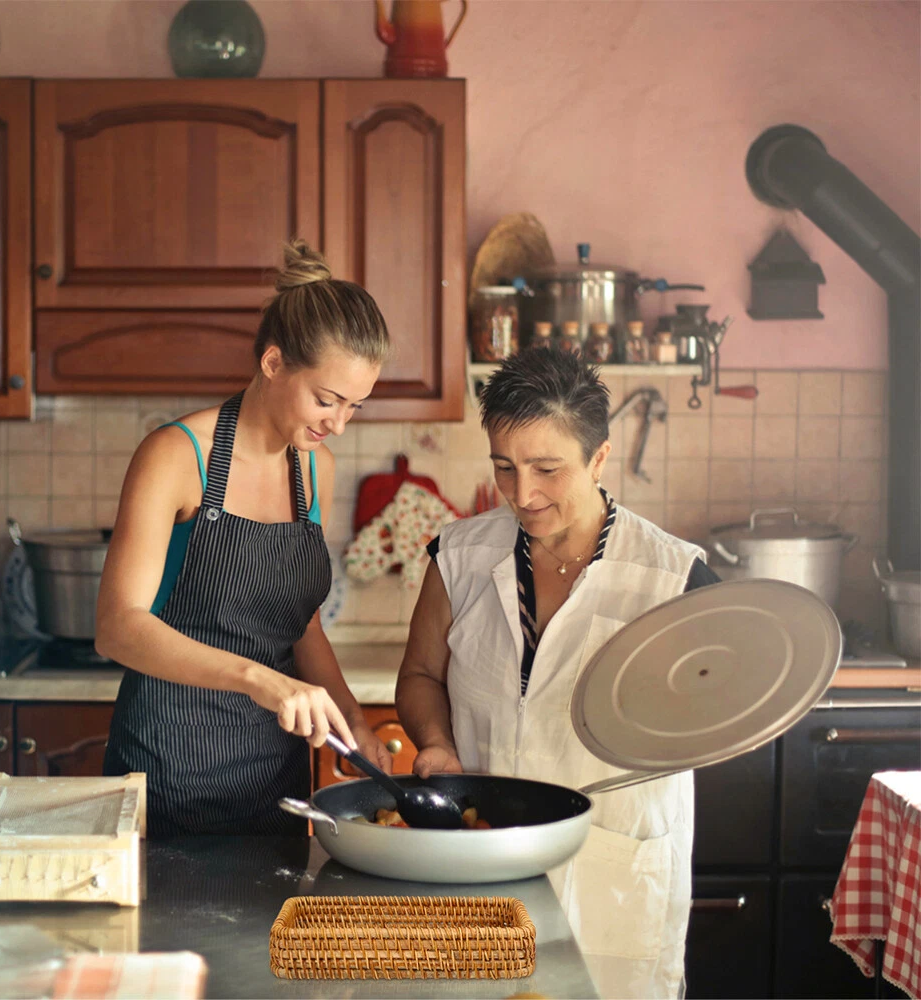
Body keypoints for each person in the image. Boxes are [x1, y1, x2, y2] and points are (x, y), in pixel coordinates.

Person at [396, 348, 720, 999]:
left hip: (614, 877)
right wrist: (436, 742)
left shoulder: (673, 578)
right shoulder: (458, 556)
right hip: (484, 867)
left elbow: (717, 716)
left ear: (599, 459)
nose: (523, 494)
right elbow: (422, 675)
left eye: (547, 469)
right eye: (504, 467)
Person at [97, 239, 393, 837]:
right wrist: (259, 679)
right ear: (274, 363)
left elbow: (301, 627)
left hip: (275, 782)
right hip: (167, 771)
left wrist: (355, 721)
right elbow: (118, 628)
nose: (338, 424)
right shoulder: (176, 455)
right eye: (326, 400)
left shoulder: (316, 468)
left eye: (355, 407)